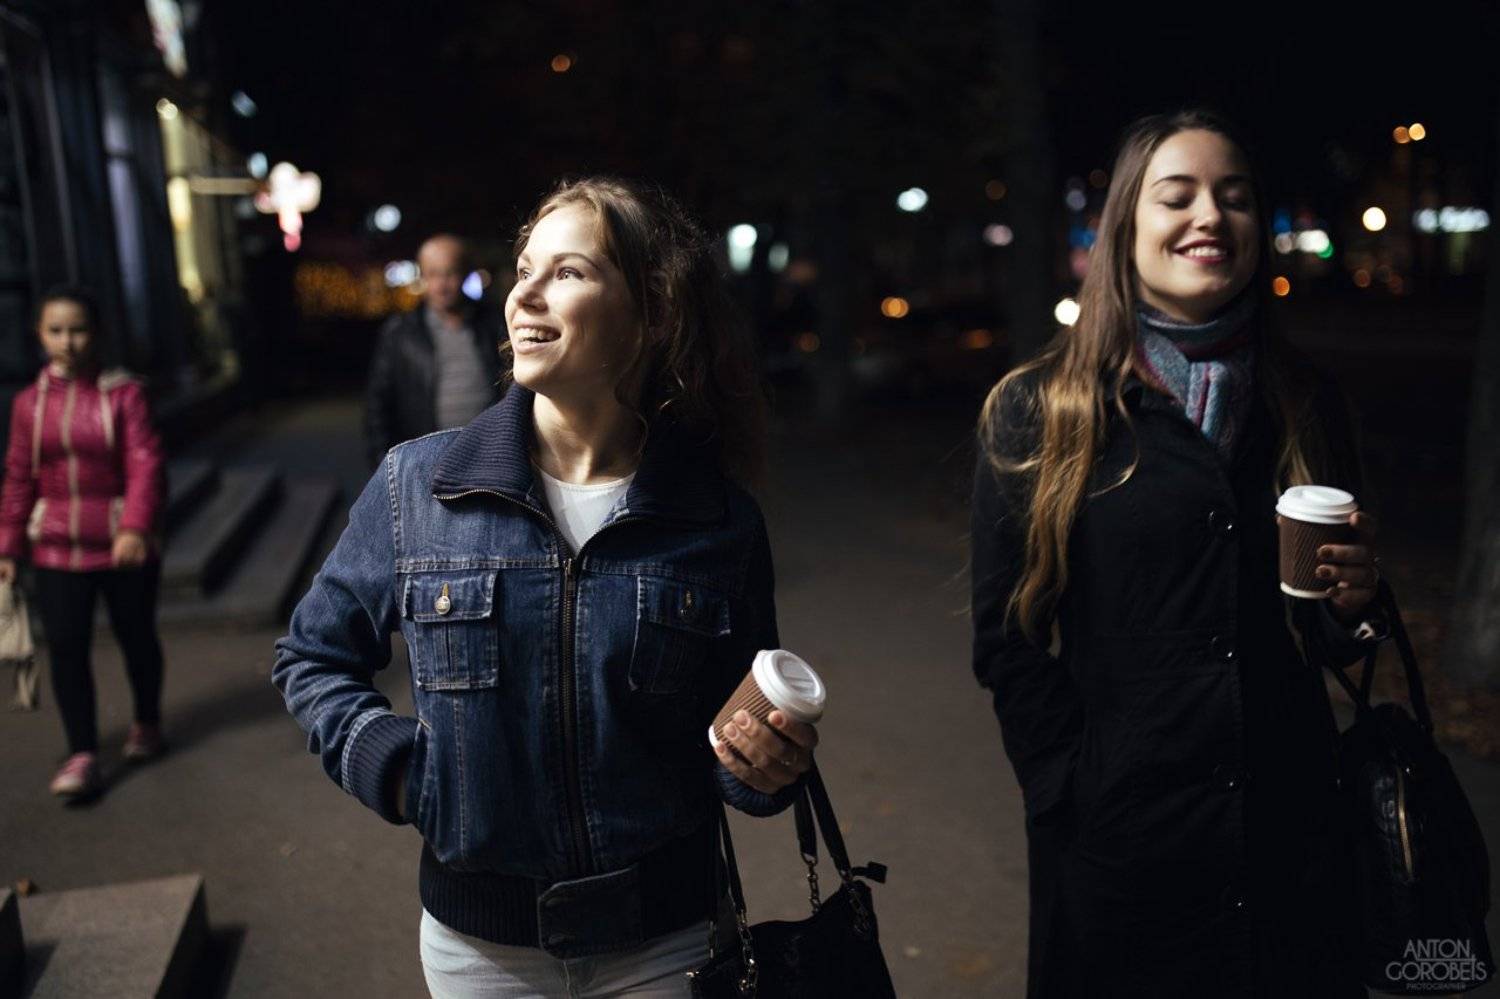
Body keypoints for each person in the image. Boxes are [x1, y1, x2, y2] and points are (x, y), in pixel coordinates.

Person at [274, 178, 817, 997]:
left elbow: (730, 742)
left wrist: (766, 766)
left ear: (654, 312)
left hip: (668, 940)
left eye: (567, 272)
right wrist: (393, 765)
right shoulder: (418, 485)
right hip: (482, 954)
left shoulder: (716, 518)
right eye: (524, 268)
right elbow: (311, 655)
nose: (523, 293)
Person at [970, 110, 1386, 998]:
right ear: (1125, 226)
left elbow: (1329, 637)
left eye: (1235, 197)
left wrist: (1353, 608)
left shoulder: (1305, 402)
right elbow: (1007, 641)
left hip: (1290, 843)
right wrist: (1067, 789)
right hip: (1122, 853)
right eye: (1178, 196)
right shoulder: (1040, 409)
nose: (1210, 216)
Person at [0, 285, 167, 798]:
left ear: (96, 334)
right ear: (40, 334)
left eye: (77, 330)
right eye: (56, 330)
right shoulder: (28, 404)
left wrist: (135, 526)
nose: (67, 341)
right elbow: (18, 476)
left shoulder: (124, 394)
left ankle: (146, 722)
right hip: (55, 546)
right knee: (67, 649)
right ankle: (82, 753)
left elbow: (145, 462)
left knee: (136, 637)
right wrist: (8, 545)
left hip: (122, 545)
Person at [364, 233, 506, 467]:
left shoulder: (493, 323)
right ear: (422, 276)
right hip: (424, 461)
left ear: (465, 273)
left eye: (450, 273)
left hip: (490, 453)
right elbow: (378, 406)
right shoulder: (400, 332)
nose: (442, 285)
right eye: (433, 274)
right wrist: (385, 466)